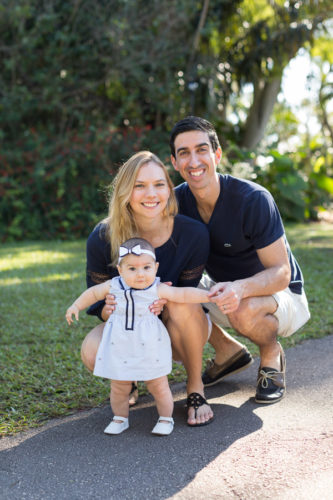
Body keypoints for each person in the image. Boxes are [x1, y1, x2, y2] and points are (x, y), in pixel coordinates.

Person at [169, 116, 310, 404]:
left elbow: (281, 272)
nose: (193, 161)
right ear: (174, 162)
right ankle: (227, 352)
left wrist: (240, 288)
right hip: (225, 289)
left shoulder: (253, 199)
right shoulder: (176, 202)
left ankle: (271, 355)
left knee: (242, 308)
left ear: (217, 155)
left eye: (201, 150)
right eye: (184, 153)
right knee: (174, 295)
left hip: (281, 293)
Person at [80, 151, 214, 426]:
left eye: (159, 184)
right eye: (139, 185)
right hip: (129, 324)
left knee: (179, 303)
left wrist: (164, 300)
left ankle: (195, 388)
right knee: (92, 350)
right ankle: (127, 381)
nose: (150, 194)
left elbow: (188, 297)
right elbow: (96, 300)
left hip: (181, 325)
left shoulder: (193, 234)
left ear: (169, 188)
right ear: (125, 191)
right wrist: (110, 309)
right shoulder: (103, 237)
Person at [66, 237, 212, 435]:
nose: (140, 274)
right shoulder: (113, 286)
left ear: (155, 267)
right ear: (120, 270)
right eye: (132, 269)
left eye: (146, 267)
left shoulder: (157, 289)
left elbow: (184, 294)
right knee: (119, 386)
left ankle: (165, 418)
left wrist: (211, 296)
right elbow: (93, 294)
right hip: (121, 344)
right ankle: (120, 418)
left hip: (149, 345)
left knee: (158, 385)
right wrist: (76, 305)